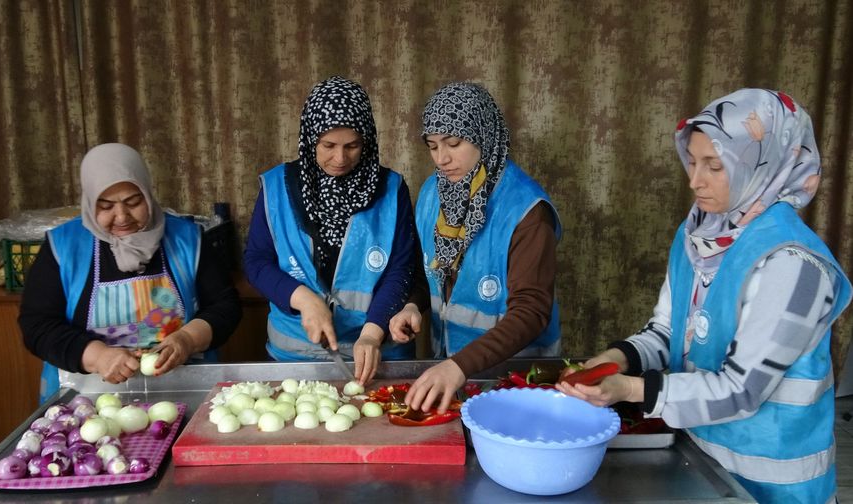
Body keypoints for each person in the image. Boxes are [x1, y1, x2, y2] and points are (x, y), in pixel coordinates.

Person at [557, 89, 851, 503]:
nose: (694, 180)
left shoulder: (793, 264)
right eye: (692, 162)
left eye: (714, 166)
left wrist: (630, 389)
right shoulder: (699, 236)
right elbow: (668, 330)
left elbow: (742, 389)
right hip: (702, 460)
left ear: (761, 164)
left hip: (774, 482)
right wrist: (617, 358)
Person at [19, 143, 242, 402]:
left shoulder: (187, 239)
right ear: (89, 202)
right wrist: (98, 356)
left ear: (148, 194)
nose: (122, 217)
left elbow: (225, 305)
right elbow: (38, 325)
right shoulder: (64, 247)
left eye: (133, 202)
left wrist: (187, 339)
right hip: (89, 396)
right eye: (105, 206)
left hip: (183, 387)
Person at [389, 82, 562, 414]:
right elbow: (429, 272)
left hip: (516, 380)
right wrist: (412, 305)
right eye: (432, 146)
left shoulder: (526, 211)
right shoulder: (432, 193)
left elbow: (531, 312)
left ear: (483, 135)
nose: (442, 158)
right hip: (451, 376)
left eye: (454, 143)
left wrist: (459, 365)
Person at [244, 76, 416, 384]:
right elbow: (257, 261)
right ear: (311, 138)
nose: (340, 158)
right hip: (294, 356)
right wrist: (303, 299)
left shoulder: (392, 189)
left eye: (352, 146)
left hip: (378, 352)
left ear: (367, 140)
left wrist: (372, 332)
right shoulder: (276, 187)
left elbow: (401, 268)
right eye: (328, 146)